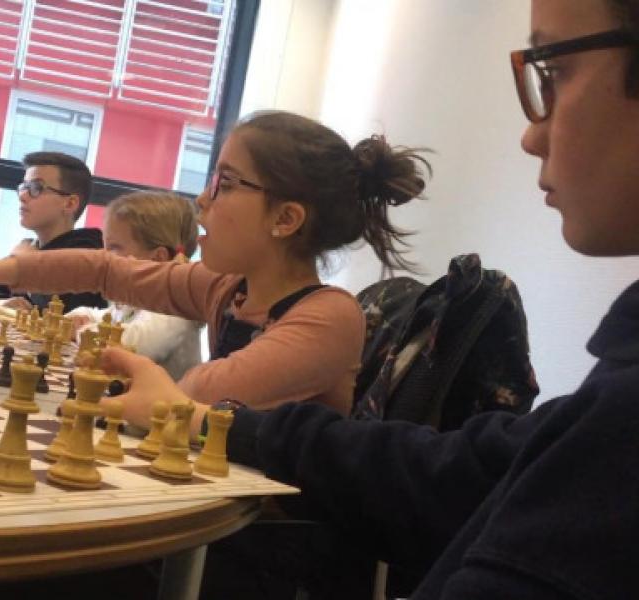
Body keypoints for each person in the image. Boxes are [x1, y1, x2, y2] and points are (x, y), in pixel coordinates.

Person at [99, 0, 639, 597]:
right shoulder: (608, 401)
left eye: (553, 72)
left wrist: (188, 412)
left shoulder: (329, 313)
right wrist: (202, 421)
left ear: (286, 218)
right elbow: (453, 470)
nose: (531, 135)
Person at [0, 113, 430, 412]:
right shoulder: (228, 288)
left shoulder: (329, 317)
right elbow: (105, 270)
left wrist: (127, 370)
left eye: (225, 184)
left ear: (286, 218)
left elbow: (199, 392)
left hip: (269, 543)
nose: (202, 200)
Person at [66, 190, 202, 381]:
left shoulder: (176, 305)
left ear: (157, 258)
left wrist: (83, 330)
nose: (104, 257)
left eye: (114, 248)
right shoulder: (136, 298)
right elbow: (106, 317)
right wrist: (80, 316)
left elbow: (133, 345)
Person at [0, 151, 106, 314]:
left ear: (69, 203)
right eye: (24, 187)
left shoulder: (89, 259)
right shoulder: (31, 247)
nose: (22, 196)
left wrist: (27, 266)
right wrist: (0, 303)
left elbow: (56, 312)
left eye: (36, 188)